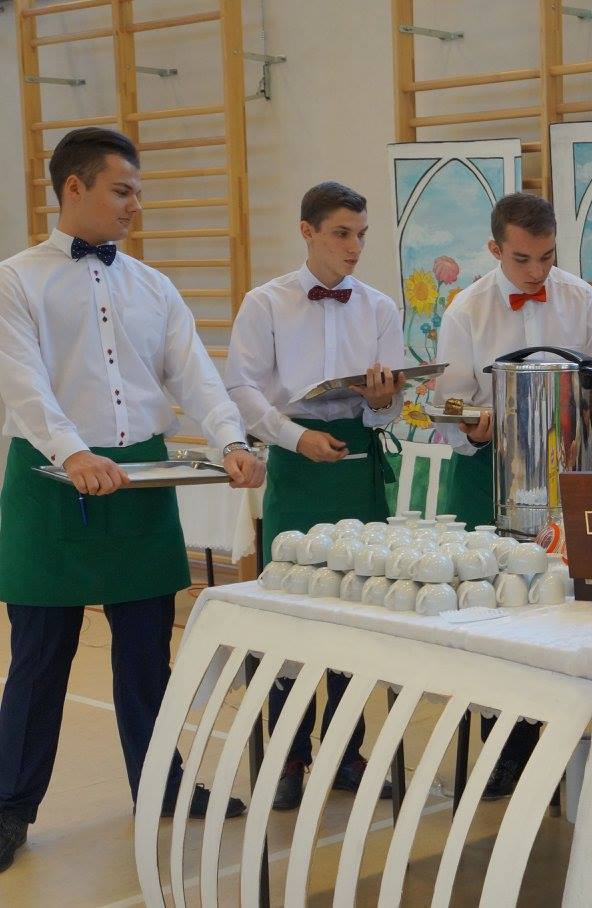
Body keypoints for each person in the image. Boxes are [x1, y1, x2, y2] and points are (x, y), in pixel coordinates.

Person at [0, 127, 266, 872]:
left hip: (142, 480)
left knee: (148, 654)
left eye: (138, 194)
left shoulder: (154, 286)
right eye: (122, 191)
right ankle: (8, 806)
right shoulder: (15, 280)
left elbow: (194, 374)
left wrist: (230, 441)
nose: (133, 207)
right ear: (74, 187)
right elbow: (21, 380)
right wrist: (72, 451)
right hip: (51, 481)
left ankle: (166, 788)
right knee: (39, 661)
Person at [225, 181, 404, 811]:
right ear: (307, 231)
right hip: (295, 460)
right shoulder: (266, 302)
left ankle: (347, 753)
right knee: (291, 612)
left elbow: (389, 409)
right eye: (341, 234)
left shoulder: (379, 306)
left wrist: (383, 402)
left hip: (357, 461)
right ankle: (287, 758)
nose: (354, 247)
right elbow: (241, 388)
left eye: (361, 235)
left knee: (356, 607)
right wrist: (294, 437)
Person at [434, 192, 592, 799]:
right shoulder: (466, 309)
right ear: (494, 249)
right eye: (522, 259)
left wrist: (586, 412)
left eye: (547, 257)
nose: (538, 272)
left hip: (567, 469)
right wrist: (474, 424)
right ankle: (501, 746)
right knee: (495, 611)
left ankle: (563, 737)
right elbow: (448, 404)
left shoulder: (581, 297)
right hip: (488, 473)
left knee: (561, 606)